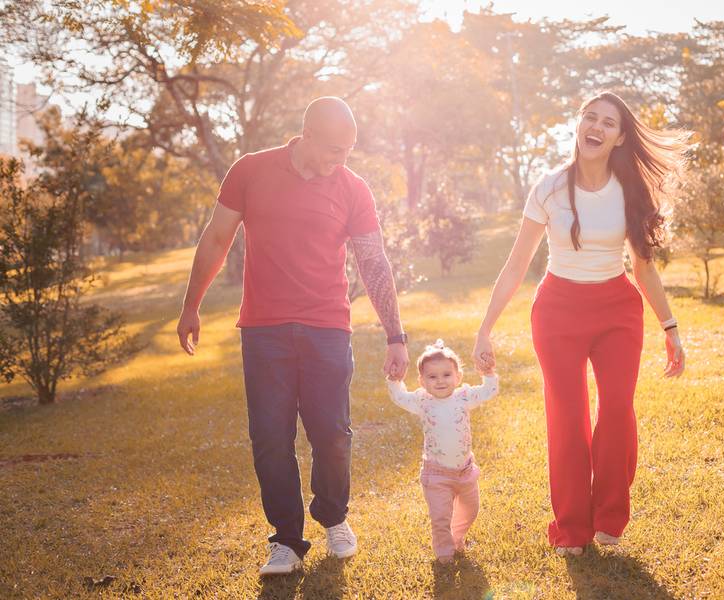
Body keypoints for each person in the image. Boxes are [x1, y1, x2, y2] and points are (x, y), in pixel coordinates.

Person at [176, 96, 410, 575]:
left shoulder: (352, 187)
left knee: (333, 435)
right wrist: (191, 304)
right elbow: (217, 237)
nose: (339, 160)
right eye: (331, 149)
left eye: (347, 151)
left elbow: (372, 261)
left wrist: (395, 334)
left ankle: (333, 516)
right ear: (304, 134)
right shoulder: (250, 170)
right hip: (264, 330)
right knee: (269, 438)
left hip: (327, 327)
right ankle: (285, 540)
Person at [472, 91, 688, 556]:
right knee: (566, 418)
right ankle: (572, 527)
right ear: (578, 125)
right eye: (589, 117)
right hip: (558, 311)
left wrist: (670, 328)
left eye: (608, 122)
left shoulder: (631, 190)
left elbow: (644, 266)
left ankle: (609, 519)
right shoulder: (548, 188)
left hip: (616, 310)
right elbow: (515, 265)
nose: (596, 126)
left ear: (619, 137)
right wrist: (485, 327)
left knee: (615, 410)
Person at [386, 340, 499, 563]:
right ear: (422, 381)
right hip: (436, 473)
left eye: (446, 375)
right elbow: (400, 397)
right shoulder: (422, 402)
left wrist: (489, 372)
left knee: (470, 510)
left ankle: (456, 537)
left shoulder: (464, 397)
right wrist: (394, 380)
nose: (440, 381)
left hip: (465, 470)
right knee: (440, 516)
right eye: (432, 377)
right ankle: (444, 552)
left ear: (458, 377)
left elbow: (489, 391)